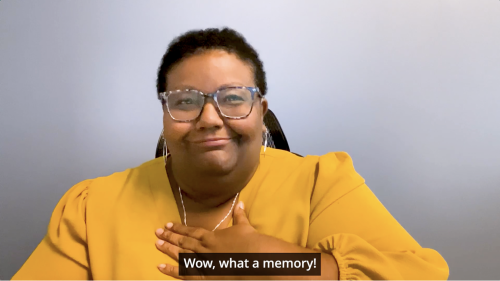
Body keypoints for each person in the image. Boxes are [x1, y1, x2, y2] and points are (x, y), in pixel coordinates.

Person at [12, 27, 449, 281]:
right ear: (165, 114)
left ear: (261, 111)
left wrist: (277, 265)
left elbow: (422, 275)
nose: (209, 118)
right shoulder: (93, 207)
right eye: (185, 100)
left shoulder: (321, 183)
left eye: (233, 98)